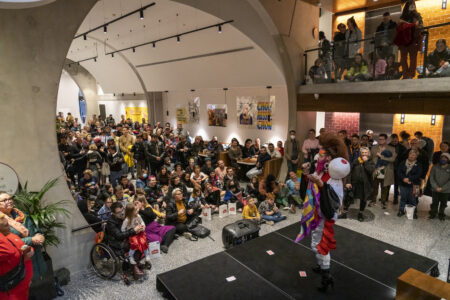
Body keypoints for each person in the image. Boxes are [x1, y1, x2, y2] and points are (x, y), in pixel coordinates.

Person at [296, 133, 350, 292]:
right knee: (316, 240)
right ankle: (322, 266)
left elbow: (331, 201)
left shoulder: (334, 178)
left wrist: (319, 183)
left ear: (330, 157)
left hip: (324, 216)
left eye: (322, 154)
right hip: (317, 213)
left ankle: (326, 275)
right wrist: (306, 174)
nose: (318, 157)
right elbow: (312, 186)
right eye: (319, 153)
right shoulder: (323, 171)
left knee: (319, 244)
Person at [0, 192, 47, 281]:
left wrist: (39, 234)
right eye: (4, 200)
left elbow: (34, 226)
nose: (9, 201)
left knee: (41, 282)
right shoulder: (1, 223)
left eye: (10, 199)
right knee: (27, 286)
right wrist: (31, 240)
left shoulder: (21, 213)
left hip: (37, 256)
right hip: (22, 263)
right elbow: (9, 244)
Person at [0, 212, 34, 300]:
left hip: (22, 281)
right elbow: (9, 251)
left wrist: (30, 251)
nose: (10, 227)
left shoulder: (10, 235)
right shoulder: (3, 243)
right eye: (6, 225)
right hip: (10, 291)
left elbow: (23, 246)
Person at [105, 202, 145, 277]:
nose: (121, 213)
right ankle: (134, 267)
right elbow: (119, 236)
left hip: (127, 237)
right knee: (134, 245)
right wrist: (133, 230)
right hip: (117, 242)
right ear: (113, 213)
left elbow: (133, 222)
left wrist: (139, 226)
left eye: (122, 210)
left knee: (143, 241)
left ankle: (135, 262)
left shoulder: (124, 216)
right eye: (118, 212)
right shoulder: (111, 222)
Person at [343, 147, 375, 221]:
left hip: (365, 185)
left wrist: (365, 162)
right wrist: (348, 182)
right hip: (354, 183)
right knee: (348, 197)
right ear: (360, 154)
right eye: (362, 153)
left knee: (363, 200)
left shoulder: (371, 162)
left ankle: (360, 213)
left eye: (365, 153)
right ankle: (344, 213)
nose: (364, 154)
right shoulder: (356, 161)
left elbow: (370, 171)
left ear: (368, 154)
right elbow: (349, 171)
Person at [395, 0, 423, 79]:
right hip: (403, 40)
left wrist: (407, 23)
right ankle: (406, 74)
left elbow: (420, 26)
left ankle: (411, 75)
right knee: (403, 59)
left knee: (413, 59)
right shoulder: (403, 16)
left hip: (413, 40)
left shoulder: (417, 16)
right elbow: (398, 28)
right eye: (410, 5)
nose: (412, 6)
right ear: (407, 6)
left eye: (413, 5)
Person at [370, 134, 396, 209]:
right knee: (374, 187)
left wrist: (382, 157)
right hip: (376, 170)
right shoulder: (374, 148)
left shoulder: (391, 148)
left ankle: (383, 202)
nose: (380, 140)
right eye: (379, 139)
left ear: (386, 140)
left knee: (384, 188)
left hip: (386, 170)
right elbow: (371, 158)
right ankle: (373, 201)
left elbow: (392, 159)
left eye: (382, 139)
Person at [121, 203, 150, 269]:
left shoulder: (138, 216)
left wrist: (143, 226)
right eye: (135, 210)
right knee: (135, 243)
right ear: (130, 212)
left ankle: (146, 255)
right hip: (132, 235)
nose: (137, 211)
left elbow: (142, 222)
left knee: (144, 241)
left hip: (139, 233)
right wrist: (130, 231)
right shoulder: (127, 220)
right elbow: (122, 230)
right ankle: (131, 257)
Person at [397, 150, 422, 219]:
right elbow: (399, 172)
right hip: (403, 183)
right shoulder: (403, 162)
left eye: (413, 155)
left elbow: (418, 174)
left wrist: (409, 179)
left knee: (413, 199)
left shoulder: (419, 165)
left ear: (416, 156)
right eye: (410, 154)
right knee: (403, 198)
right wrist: (404, 179)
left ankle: (413, 212)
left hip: (414, 185)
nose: (411, 156)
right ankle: (401, 210)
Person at [428, 153, 450, 221]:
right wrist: (436, 187)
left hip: (446, 190)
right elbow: (431, 178)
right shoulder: (435, 166)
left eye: (445, 158)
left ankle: (441, 214)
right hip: (435, 189)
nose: (443, 159)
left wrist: (442, 188)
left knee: (443, 203)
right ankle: (433, 213)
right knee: (435, 202)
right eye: (442, 157)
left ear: (448, 159)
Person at [389, 133, 407, 204]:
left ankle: (395, 198)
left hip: (398, 168)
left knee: (396, 184)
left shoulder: (402, 147)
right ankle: (385, 197)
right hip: (389, 167)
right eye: (393, 141)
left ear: (398, 140)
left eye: (396, 141)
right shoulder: (388, 146)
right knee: (388, 183)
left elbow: (405, 158)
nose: (394, 142)